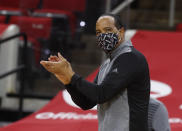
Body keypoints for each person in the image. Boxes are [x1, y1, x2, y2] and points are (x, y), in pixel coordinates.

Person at [40, 13, 150, 131]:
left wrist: (70, 75)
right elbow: (86, 102)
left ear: (121, 31)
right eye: (98, 32)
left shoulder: (130, 57)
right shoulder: (107, 64)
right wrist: (66, 80)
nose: (103, 35)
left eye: (107, 29)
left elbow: (101, 94)